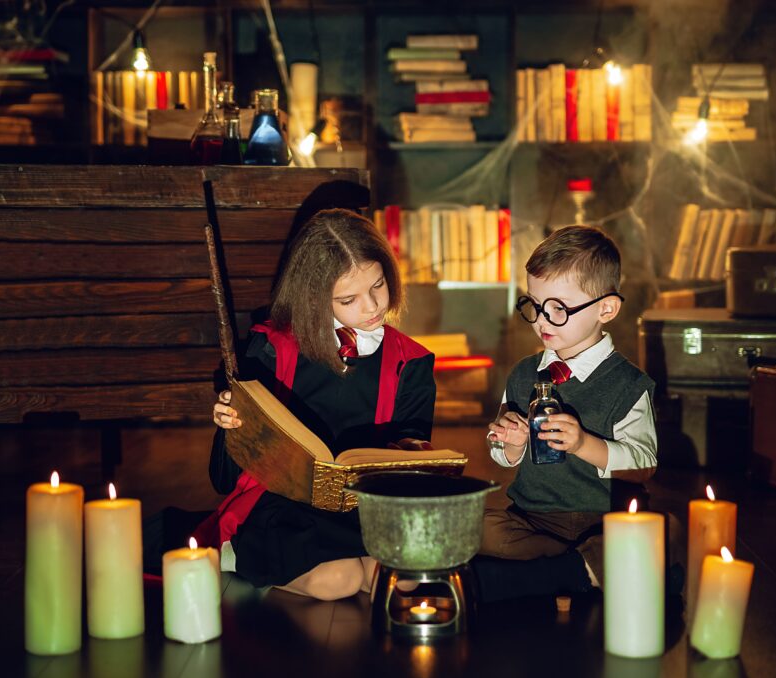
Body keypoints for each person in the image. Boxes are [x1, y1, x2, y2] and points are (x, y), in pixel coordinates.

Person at [205, 208, 436, 600]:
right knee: (338, 580)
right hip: (284, 504)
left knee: (399, 580)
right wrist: (230, 424)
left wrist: (412, 456)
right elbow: (223, 480)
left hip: (367, 506)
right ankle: (238, 552)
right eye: (349, 299)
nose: (372, 306)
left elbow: (413, 453)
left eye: (378, 285)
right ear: (314, 298)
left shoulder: (410, 362)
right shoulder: (273, 347)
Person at [478, 225, 658, 601]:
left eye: (558, 309)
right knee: (475, 526)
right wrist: (511, 443)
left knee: (661, 532)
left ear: (606, 309)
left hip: (600, 519)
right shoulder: (523, 374)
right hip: (530, 517)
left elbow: (643, 463)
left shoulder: (628, 384)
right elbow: (501, 453)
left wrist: (583, 444)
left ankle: (547, 573)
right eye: (535, 305)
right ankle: (578, 570)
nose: (541, 321)